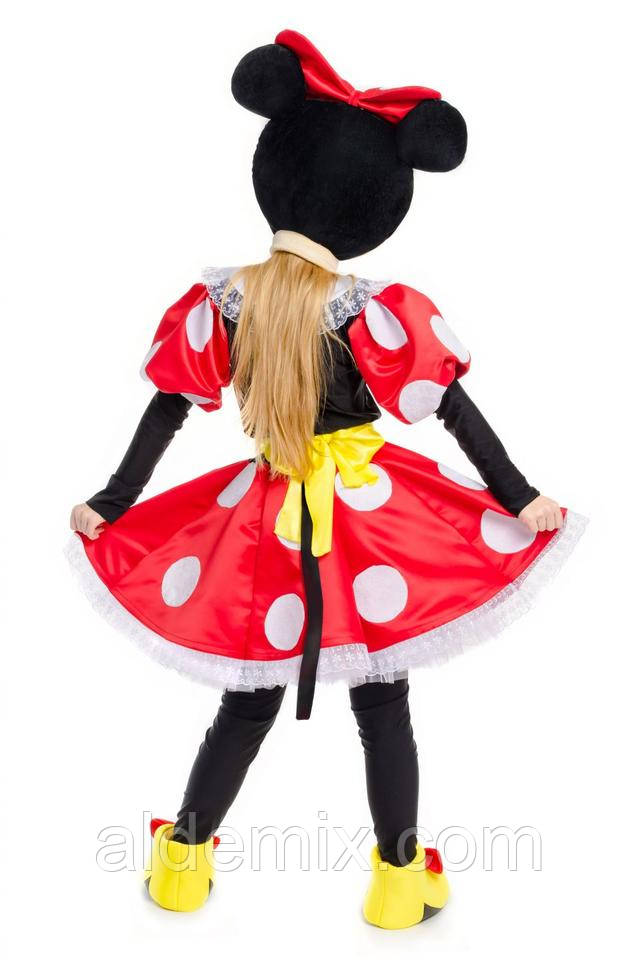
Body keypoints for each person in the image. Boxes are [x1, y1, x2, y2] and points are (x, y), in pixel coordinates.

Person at [67, 29, 586, 928]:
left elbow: (168, 408)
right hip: (367, 517)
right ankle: (398, 885)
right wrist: (517, 496)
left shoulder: (225, 303)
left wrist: (114, 502)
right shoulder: (378, 313)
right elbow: (451, 409)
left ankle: (182, 866)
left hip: (266, 515)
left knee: (247, 701)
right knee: (384, 704)